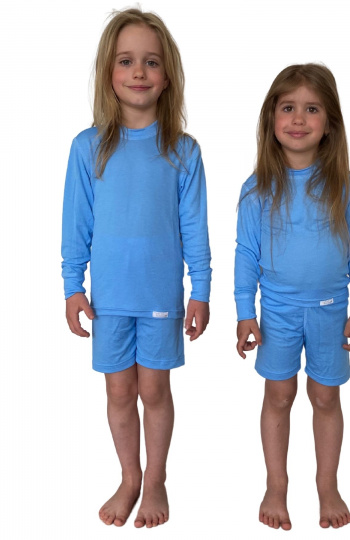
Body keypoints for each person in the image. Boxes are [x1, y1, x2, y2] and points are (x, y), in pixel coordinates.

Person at [61, 8, 211, 529]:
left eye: (151, 62)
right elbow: (76, 223)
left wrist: (201, 290)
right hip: (108, 298)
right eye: (126, 61)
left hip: (160, 296)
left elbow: (194, 228)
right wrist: (72, 286)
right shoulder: (88, 148)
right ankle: (130, 477)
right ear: (109, 73)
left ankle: (156, 479)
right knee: (119, 392)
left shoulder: (182, 151)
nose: (139, 72)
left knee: (154, 391)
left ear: (167, 76)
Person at [235, 64, 350, 530]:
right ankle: (276, 485)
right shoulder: (256, 190)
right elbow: (245, 255)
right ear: (271, 119)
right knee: (278, 394)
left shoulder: (344, 187)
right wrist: (244, 312)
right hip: (276, 311)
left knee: (326, 397)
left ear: (330, 122)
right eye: (288, 108)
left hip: (331, 311)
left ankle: (327, 485)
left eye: (312, 109)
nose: (298, 119)